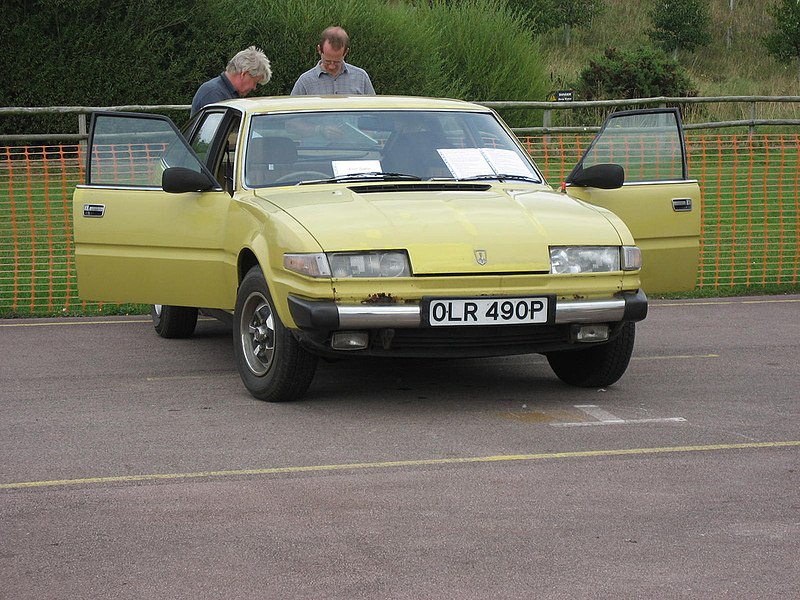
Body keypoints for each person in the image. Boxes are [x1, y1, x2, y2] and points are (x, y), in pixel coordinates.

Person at [291, 26, 375, 95]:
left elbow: (373, 112)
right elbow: (293, 112)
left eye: (337, 62)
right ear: (319, 50)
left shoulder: (361, 77)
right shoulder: (305, 82)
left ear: (345, 52)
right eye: (327, 61)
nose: (332, 66)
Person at [191, 46, 272, 116]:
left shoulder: (225, 93)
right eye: (255, 82)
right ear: (244, 74)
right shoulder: (213, 93)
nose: (254, 88)